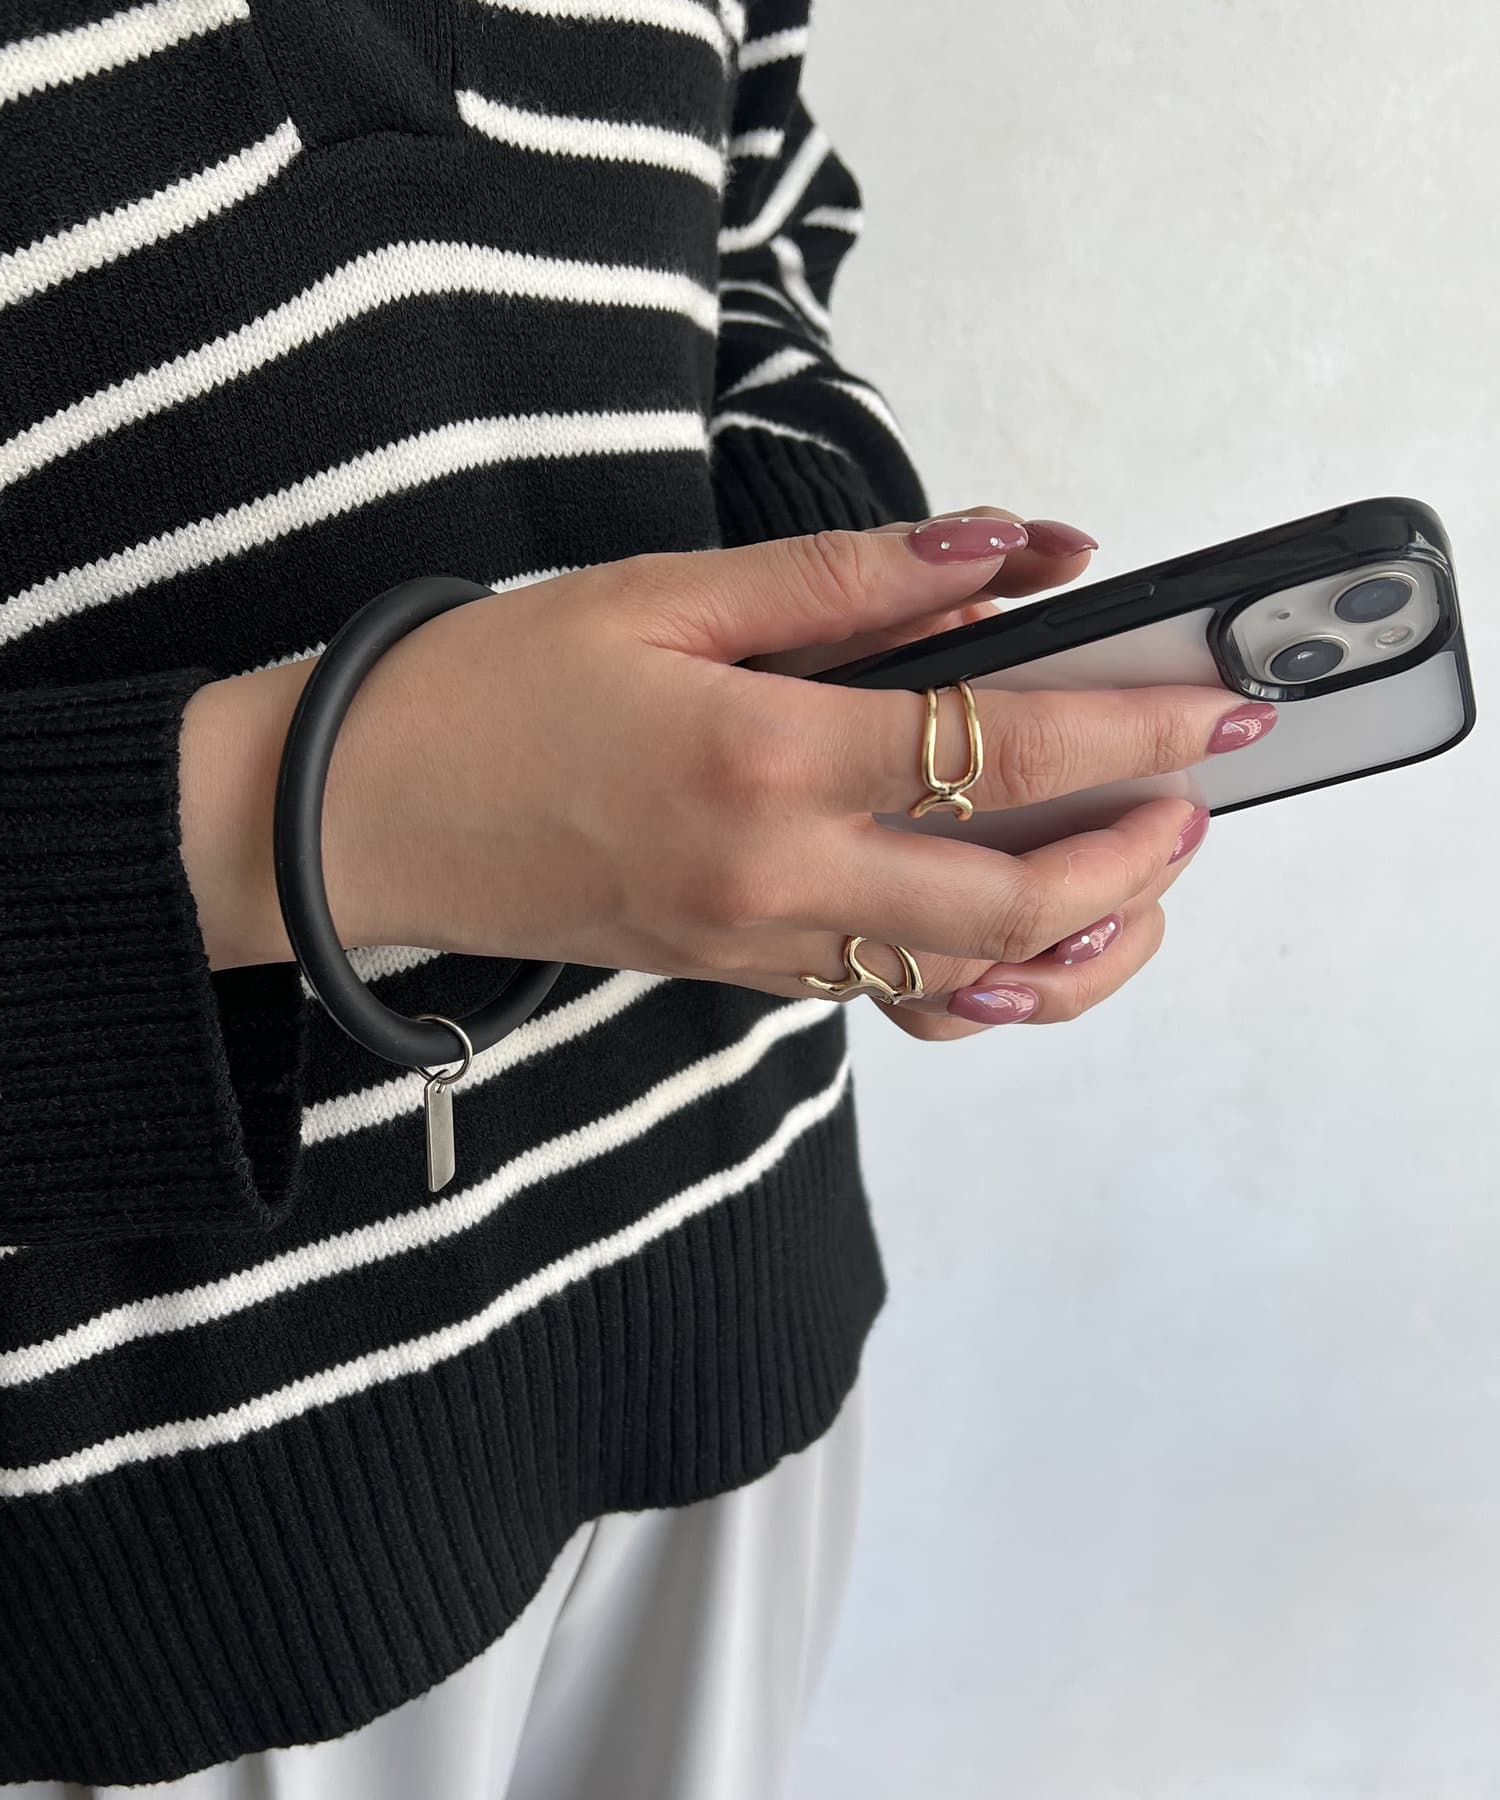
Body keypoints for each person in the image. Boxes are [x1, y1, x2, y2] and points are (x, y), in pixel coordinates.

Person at [0, 0, 1273, 1793]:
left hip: (724, 1278)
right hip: (135, 1537)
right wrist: (314, 819)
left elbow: (755, 218)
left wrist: (855, 691)